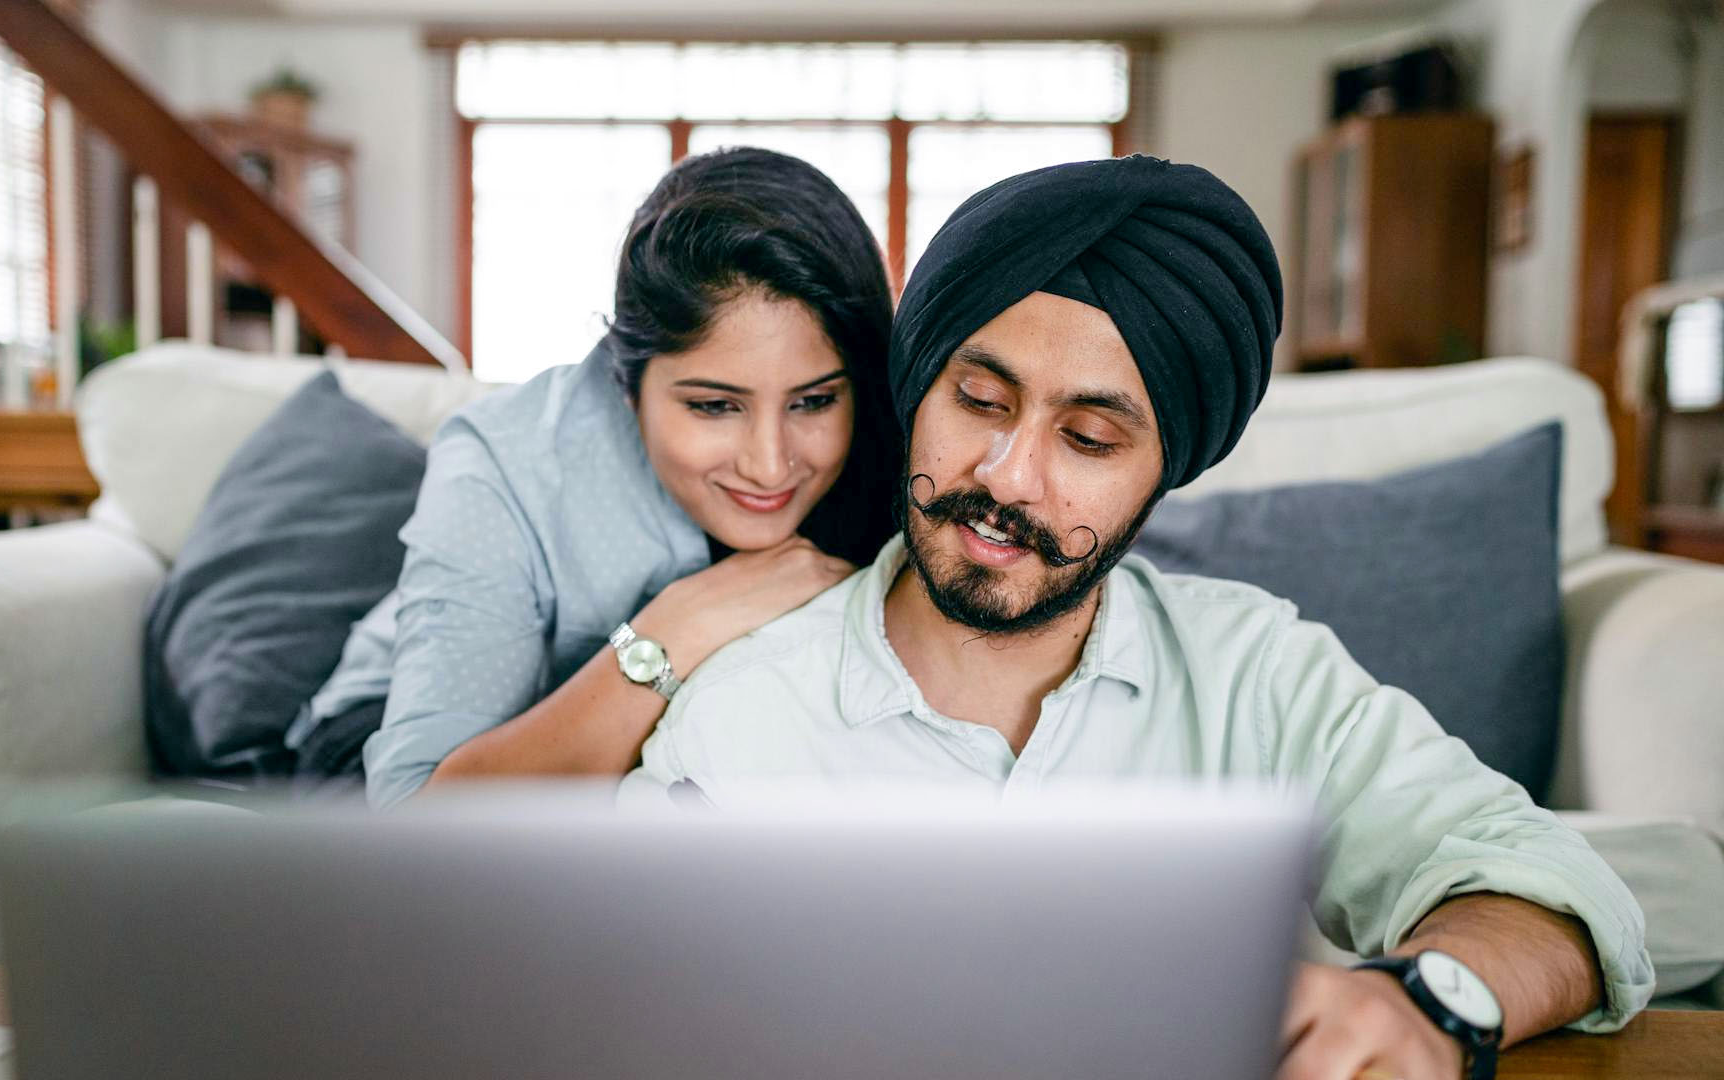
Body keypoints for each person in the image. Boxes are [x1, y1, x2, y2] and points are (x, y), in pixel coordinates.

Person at [623, 156, 1653, 1080]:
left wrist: (1429, 1001)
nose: (1007, 477)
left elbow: (1546, 883)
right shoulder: (739, 713)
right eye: (979, 401)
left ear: (1164, 475)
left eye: (1088, 437)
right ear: (917, 391)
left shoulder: (1258, 673)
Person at [285, 147, 902, 807]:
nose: (769, 463)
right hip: (396, 757)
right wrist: (680, 626)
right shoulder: (502, 461)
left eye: (813, 402)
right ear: (626, 381)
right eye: (714, 406)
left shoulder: (895, 448)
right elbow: (421, 822)